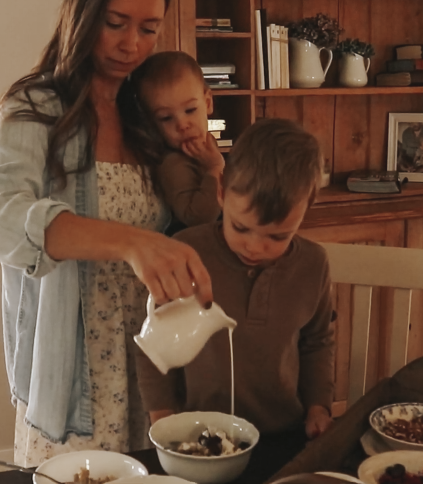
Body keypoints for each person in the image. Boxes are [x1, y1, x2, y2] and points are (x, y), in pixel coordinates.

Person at [0, 0, 214, 466]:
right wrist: (130, 242)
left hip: (153, 368)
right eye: (115, 22)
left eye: (149, 29)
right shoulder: (35, 110)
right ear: (83, 14)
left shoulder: (148, 117)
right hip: (76, 372)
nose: (131, 44)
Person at [136, 117, 335, 439]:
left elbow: (318, 343)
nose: (254, 247)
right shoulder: (187, 252)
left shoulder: (314, 265)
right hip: (197, 436)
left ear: (307, 209)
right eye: (241, 227)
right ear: (221, 191)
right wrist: (162, 418)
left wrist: (319, 407)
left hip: (283, 437)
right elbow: (152, 343)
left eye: (278, 236)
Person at [123, 51, 224, 233]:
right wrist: (215, 168)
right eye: (166, 118)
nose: (182, 125)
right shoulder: (173, 163)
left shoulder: (206, 145)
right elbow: (197, 218)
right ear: (152, 124)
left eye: (190, 110)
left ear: (208, 103)